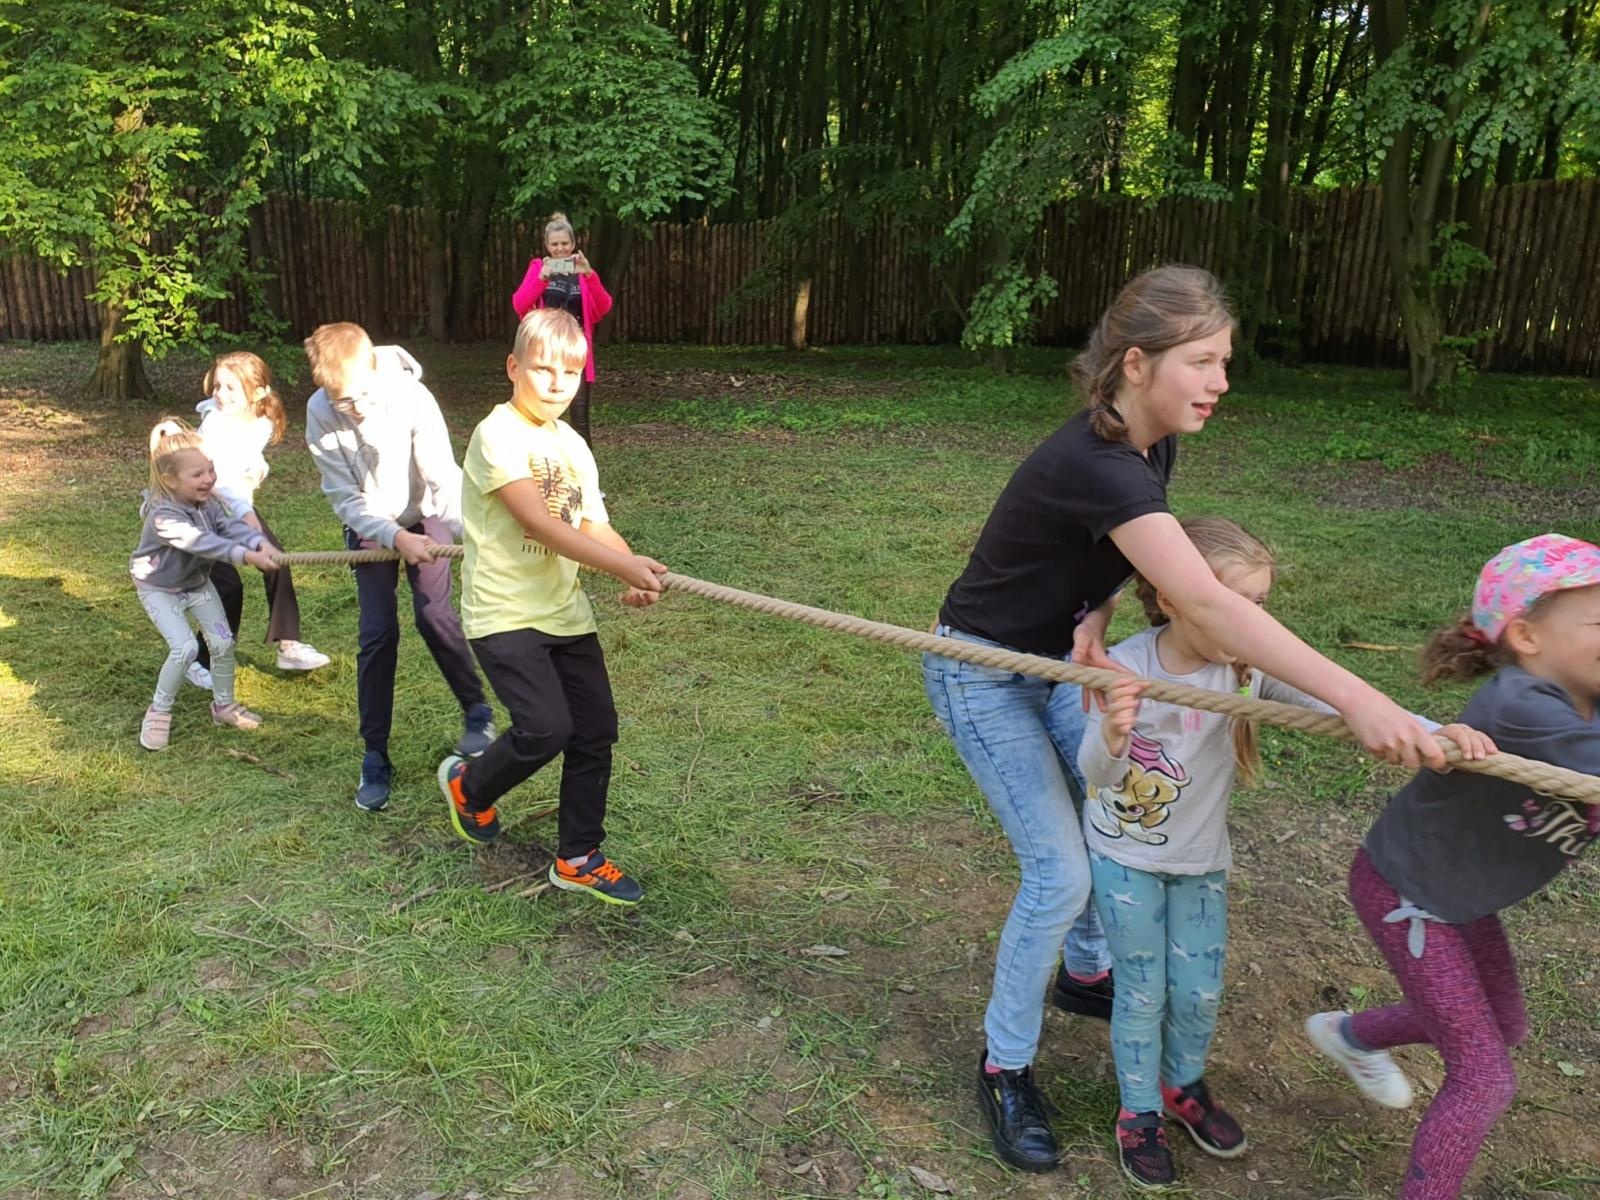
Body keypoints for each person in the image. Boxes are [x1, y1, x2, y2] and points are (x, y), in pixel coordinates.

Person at [920, 264, 1450, 1175]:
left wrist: (1090, 618)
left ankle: (1088, 976)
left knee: (1105, 810)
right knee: (1059, 871)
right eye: (1203, 362)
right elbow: (1204, 601)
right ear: (1136, 364)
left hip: (1058, 654)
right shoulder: (1095, 460)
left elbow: (1126, 555)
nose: (1221, 381)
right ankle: (1003, 1064)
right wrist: (1361, 698)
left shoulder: (1149, 444)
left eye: (1225, 361)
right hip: (981, 669)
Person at [1079, 518, 1487, 1188]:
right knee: (1144, 991)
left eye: (1260, 608)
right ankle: (1139, 1111)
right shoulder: (1126, 667)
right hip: (1126, 860)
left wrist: (1440, 734)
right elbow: (1093, 774)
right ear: (1174, 594)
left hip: (1201, 860)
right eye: (1237, 604)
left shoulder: (1249, 670)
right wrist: (1116, 732)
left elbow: (1347, 702)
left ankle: (1181, 1086)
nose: (1252, 622)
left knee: (1201, 993)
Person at [1304, 533, 1600, 1200]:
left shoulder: (1586, 699)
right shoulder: (1521, 708)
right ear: (1526, 637)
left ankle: (1351, 1035)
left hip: (1461, 893)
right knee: (1485, 1076)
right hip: (1408, 892)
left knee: (1508, 1026)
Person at [436, 309, 666, 905]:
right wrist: (618, 565)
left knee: (594, 732)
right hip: (505, 614)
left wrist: (634, 566)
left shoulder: (573, 446)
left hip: (565, 612)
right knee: (545, 728)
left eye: (571, 370)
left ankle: (578, 856)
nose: (558, 381)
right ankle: (470, 786)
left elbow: (592, 524)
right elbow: (536, 519)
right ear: (514, 368)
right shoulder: (497, 434)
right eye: (543, 368)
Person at [303, 322, 495, 812]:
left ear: (375, 369)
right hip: (372, 523)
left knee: (434, 614)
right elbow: (344, 496)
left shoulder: (411, 396)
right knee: (377, 632)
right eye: (343, 401)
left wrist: (473, 538)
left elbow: (439, 477)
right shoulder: (320, 413)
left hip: (425, 510)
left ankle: (477, 713)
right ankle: (375, 756)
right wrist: (393, 536)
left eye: (363, 395)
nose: (357, 408)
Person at [131, 420, 278, 751]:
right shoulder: (162, 515)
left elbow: (228, 527)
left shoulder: (208, 502)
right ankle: (158, 711)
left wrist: (257, 541)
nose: (208, 479)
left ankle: (223, 707)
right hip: (159, 588)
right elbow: (202, 542)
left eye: (210, 470)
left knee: (223, 643)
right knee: (185, 648)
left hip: (196, 582)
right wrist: (245, 555)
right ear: (170, 480)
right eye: (197, 474)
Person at [187, 350, 329, 688]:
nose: (221, 394)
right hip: (201, 512)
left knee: (274, 561)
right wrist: (247, 514)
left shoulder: (260, 424)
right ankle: (201, 660)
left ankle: (289, 645)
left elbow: (245, 462)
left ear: (259, 392)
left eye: (231, 388)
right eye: (218, 386)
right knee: (228, 586)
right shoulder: (215, 425)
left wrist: (257, 469)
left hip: (233, 510)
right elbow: (217, 479)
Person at [510, 211, 613, 446]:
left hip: (575, 354)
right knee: (540, 415)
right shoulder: (538, 267)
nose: (560, 249)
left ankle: (584, 476)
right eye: (554, 244)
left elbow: (604, 307)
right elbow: (519, 303)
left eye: (565, 243)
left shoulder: (582, 272)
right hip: (544, 352)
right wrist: (542, 277)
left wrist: (589, 274)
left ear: (574, 244)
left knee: (580, 419)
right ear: (547, 245)